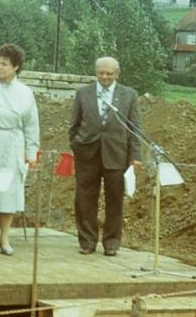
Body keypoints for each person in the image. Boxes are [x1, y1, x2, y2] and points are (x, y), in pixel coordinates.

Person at [69, 56, 141, 257]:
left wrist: (135, 156)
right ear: (96, 72)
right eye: (101, 72)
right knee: (84, 199)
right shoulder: (83, 93)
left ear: (117, 74)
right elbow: (73, 125)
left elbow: (134, 128)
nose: (105, 77)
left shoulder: (129, 95)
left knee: (114, 200)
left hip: (116, 155)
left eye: (109, 73)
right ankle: (87, 241)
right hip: (87, 155)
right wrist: (77, 145)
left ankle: (111, 243)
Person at [0, 44, 39, 256]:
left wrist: (31, 152)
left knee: (8, 193)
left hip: (13, 144)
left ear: (16, 67)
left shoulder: (25, 93)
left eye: (4, 64)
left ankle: (4, 238)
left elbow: (31, 124)